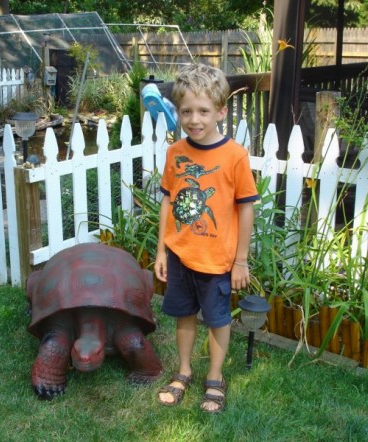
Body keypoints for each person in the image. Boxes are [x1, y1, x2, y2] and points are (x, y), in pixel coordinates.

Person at [155, 63, 259, 413]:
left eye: (203, 111)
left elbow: (246, 208)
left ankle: (215, 377)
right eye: (186, 111)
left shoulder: (235, 156)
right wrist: (161, 251)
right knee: (183, 315)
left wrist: (240, 260)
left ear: (221, 111)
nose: (194, 119)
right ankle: (183, 370)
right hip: (181, 255)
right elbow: (168, 201)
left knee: (217, 320)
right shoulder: (175, 154)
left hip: (218, 261)